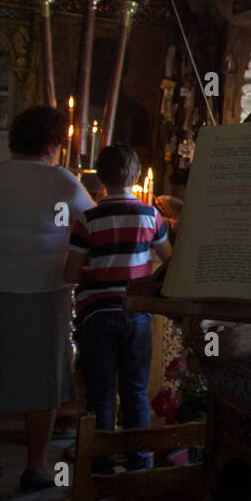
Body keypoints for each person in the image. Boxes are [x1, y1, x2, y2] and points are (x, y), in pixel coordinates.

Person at [0, 106, 95, 493]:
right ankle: (36, 466)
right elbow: (93, 224)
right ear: (54, 142)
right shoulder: (61, 181)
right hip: (45, 288)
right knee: (46, 375)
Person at [65, 144, 171, 473]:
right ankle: (138, 464)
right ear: (136, 175)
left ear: (99, 176)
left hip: (97, 312)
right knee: (136, 391)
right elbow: (170, 260)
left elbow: (69, 273)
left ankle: (102, 465)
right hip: (135, 312)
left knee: (101, 394)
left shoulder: (88, 218)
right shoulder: (151, 215)